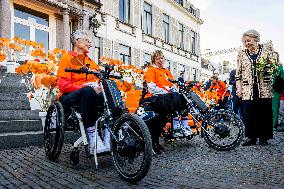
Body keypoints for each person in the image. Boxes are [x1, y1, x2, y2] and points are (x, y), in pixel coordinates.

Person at [57, 30, 109, 154]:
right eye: (87, 41)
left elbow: (99, 79)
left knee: (108, 93)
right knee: (88, 91)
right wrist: (85, 86)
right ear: (77, 42)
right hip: (69, 96)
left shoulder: (90, 62)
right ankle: (93, 139)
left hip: (89, 95)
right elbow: (63, 85)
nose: (90, 45)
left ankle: (108, 136)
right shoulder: (67, 58)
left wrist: (101, 86)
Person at [236, 29, 279, 146]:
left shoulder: (266, 50)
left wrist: (270, 69)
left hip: (264, 88)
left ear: (256, 39)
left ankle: (263, 138)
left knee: (263, 112)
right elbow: (238, 74)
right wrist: (239, 88)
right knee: (249, 113)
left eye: (249, 40)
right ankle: (251, 138)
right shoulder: (241, 53)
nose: (246, 43)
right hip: (247, 89)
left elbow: (275, 64)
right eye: (244, 41)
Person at [142, 50, 188, 154]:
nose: (160, 60)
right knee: (158, 120)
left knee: (184, 97)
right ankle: (154, 144)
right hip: (154, 98)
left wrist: (172, 90)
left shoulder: (166, 72)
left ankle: (181, 125)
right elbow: (152, 88)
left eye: (161, 58)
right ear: (154, 60)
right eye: (157, 59)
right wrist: (167, 91)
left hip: (166, 99)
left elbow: (173, 86)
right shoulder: (151, 70)